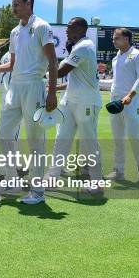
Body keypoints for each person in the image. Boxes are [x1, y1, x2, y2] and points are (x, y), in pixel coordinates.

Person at [0, 0, 58, 205]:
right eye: (12, 4)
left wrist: (51, 92)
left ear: (29, 3)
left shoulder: (42, 26)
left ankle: (37, 190)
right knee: (3, 131)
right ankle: (12, 180)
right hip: (15, 85)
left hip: (34, 85)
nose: (13, 8)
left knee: (35, 139)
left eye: (17, 4)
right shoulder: (15, 31)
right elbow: (12, 64)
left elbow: (53, 62)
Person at [43, 17, 104, 193]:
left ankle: (97, 182)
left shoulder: (85, 46)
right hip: (70, 100)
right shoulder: (78, 47)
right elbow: (71, 79)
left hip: (86, 101)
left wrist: (38, 71)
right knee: (62, 138)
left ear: (79, 29)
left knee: (89, 141)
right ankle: (52, 177)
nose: (67, 30)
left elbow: (61, 71)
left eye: (70, 27)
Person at [105, 28, 139, 182]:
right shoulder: (115, 58)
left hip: (131, 101)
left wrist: (130, 95)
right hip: (116, 102)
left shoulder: (138, 55)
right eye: (113, 38)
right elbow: (115, 81)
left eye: (116, 38)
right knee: (117, 138)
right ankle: (119, 170)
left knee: (134, 136)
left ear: (126, 39)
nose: (114, 40)